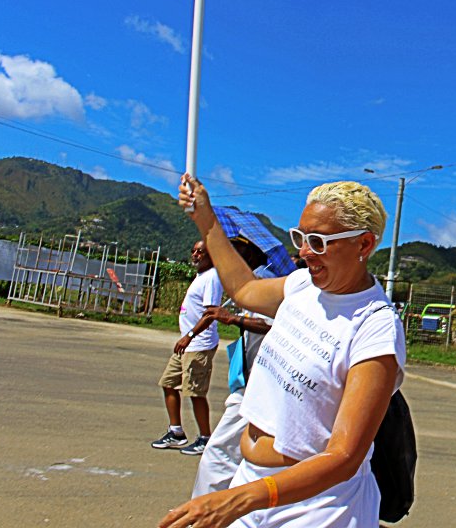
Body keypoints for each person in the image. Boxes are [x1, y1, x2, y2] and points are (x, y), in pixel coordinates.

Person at [160, 175, 405, 528]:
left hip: (316, 509)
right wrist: (207, 220)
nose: (305, 252)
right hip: (253, 484)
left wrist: (237, 499)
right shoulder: (304, 285)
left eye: (319, 242)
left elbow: (344, 456)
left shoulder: (375, 326)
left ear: (363, 245)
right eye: (301, 237)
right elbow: (245, 288)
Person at [192, 238, 277, 496]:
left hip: (258, 384)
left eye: (236, 250)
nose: (228, 255)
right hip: (251, 378)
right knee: (235, 454)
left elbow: (273, 324)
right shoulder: (253, 282)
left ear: (250, 252)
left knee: (219, 453)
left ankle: (203, 511)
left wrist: (233, 318)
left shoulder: (266, 283)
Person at [151, 240, 222, 456]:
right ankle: (176, 431)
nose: (195, 255)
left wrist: (190, 335)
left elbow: (211, 313)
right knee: (169, 383)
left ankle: (205, 438)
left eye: (201, 252)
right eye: (193, 251)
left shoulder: (212, 277)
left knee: (195, 392)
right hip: (187, 344)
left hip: (198, 345)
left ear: (212, 255)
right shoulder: (200, 276)